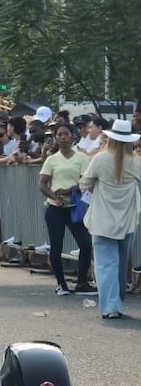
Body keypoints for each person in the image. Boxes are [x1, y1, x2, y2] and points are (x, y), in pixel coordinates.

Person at [79, 119, 141, 319]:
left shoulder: (100, 159)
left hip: (103, 218)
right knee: (122, 263)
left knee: (106, 264)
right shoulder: (136, 161)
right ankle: (118, 301)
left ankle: (111, 306)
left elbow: (84, 183)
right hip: (128, 219)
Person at [38, 122, 96, 296]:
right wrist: (55, 196)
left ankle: (81, 283)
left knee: (85, 244)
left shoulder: (81, 158)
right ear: (56, 138)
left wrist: (69, 190)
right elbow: (42, 183)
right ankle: (61, 284)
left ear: (72, 136)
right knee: (56, 246)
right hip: (55, 208)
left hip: (74, 208)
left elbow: (85, 182)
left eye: (66, 134)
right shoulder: (52, 159)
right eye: (59, 134)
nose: (63, 137)